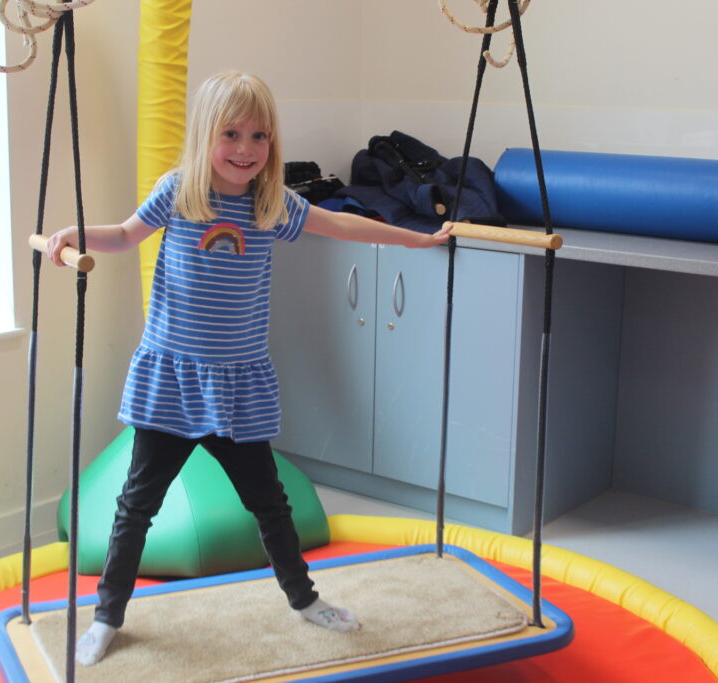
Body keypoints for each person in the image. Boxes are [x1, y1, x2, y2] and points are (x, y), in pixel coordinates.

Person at [46, 70, 450, 667]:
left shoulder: (271, 203)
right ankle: (108, 617)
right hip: (175, 382)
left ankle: (305, 601)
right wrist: (76, 235)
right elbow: (126, 235)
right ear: (206, 135)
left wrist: (413, 240)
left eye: (259, 137)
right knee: (137, 505)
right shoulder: (181, 191)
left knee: (271, 503)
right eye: (231, 134)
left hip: (239, 386)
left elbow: (338, 223)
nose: (245, 149)